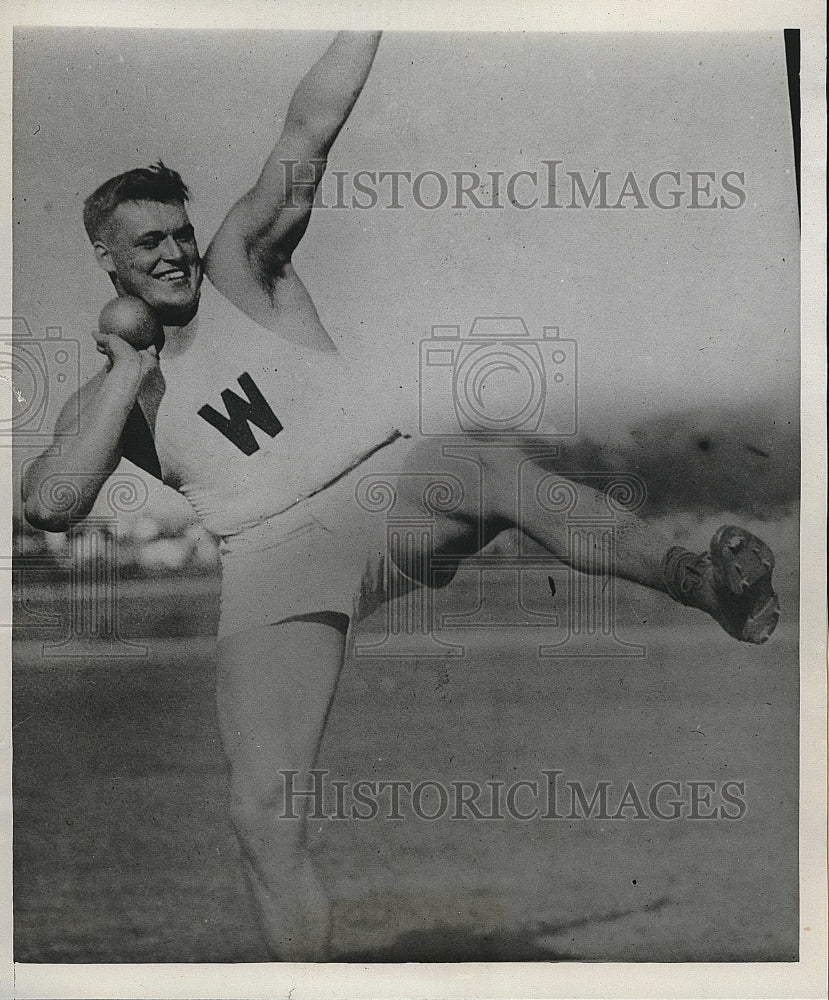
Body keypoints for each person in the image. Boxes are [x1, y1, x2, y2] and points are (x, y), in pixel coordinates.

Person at [21, 31, 779, 961]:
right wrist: (126, 370)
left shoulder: (241, 268)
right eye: (150, 243)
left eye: (179, 230)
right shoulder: (107, 395)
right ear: (106, 258)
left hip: (385, 492)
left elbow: (310, 128)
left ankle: (701, 581)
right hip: (269, 558)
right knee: (261, 810)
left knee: (483, 463)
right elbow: (50, 505)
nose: (177, 252)